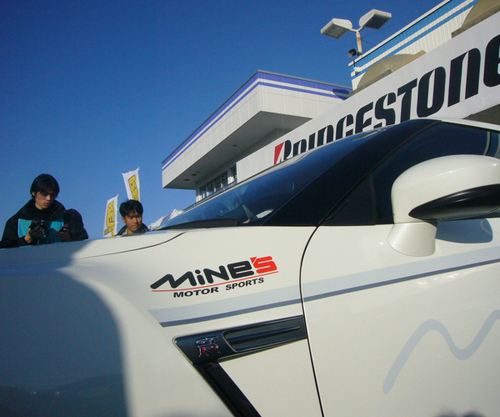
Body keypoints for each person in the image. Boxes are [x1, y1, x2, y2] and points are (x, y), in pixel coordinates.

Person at [1, 174, 88, 248]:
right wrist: (26, 239)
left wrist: (70, 240)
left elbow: (84, 247)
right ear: (34, 193)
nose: (48, 198)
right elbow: (5, 251)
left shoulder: (68, 218)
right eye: (44, 194)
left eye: (52, 195)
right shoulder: (16, 221)